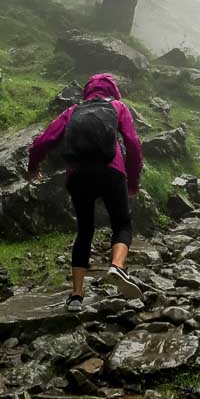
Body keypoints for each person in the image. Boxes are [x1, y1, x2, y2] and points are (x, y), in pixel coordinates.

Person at [27, 73, 143, 312]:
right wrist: (133, 181)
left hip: (78, 175)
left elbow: (45, 140)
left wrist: (33, 164)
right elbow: (132, 143)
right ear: (112, 90)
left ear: (87, 91)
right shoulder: (117, 107)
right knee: (122, 224)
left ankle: (77, 296)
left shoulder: (72, 111)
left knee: (85, 230)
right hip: (113, 171)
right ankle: (117, 266)